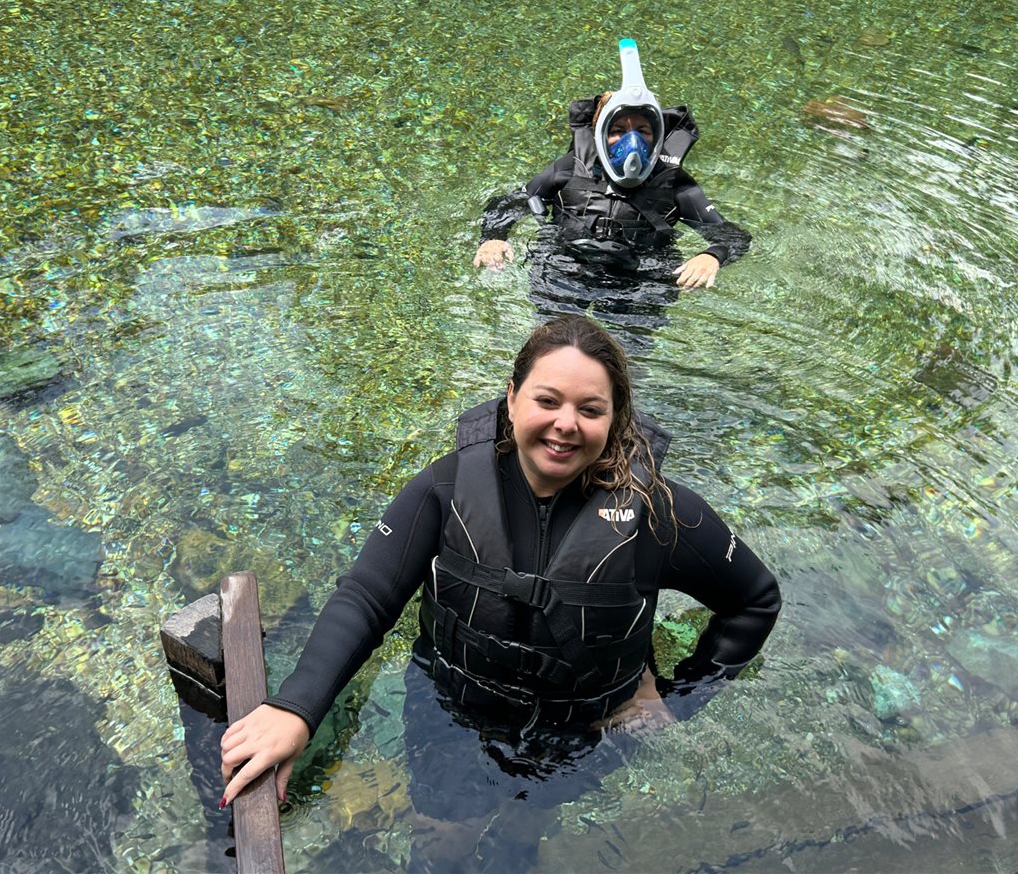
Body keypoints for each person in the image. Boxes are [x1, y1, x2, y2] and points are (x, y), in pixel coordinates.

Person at [220, 316, 780, 870]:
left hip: (582, 730)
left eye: (590, 410)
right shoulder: (446, 487)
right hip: (451, 713)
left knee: (532, 817)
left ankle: (519, 838)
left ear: (616, 419)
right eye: (547, 400)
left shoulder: (659, 512)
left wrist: (677, 699)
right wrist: (296, 708)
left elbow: (755, 600)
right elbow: (367, 596)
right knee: (443, 843)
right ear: (511, 400)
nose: (566, 424)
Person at [473, 39, 751, 290]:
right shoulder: (571, 167)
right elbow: (510, 202)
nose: (631, 142)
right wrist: (493, 238)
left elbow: (734, 237)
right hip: (564, 269)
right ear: (600, 133)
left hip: (639, 282)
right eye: (618, 130)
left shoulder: (674, 183)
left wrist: (710, 256)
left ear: (658, 135)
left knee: (629, 345)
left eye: (643, 131)